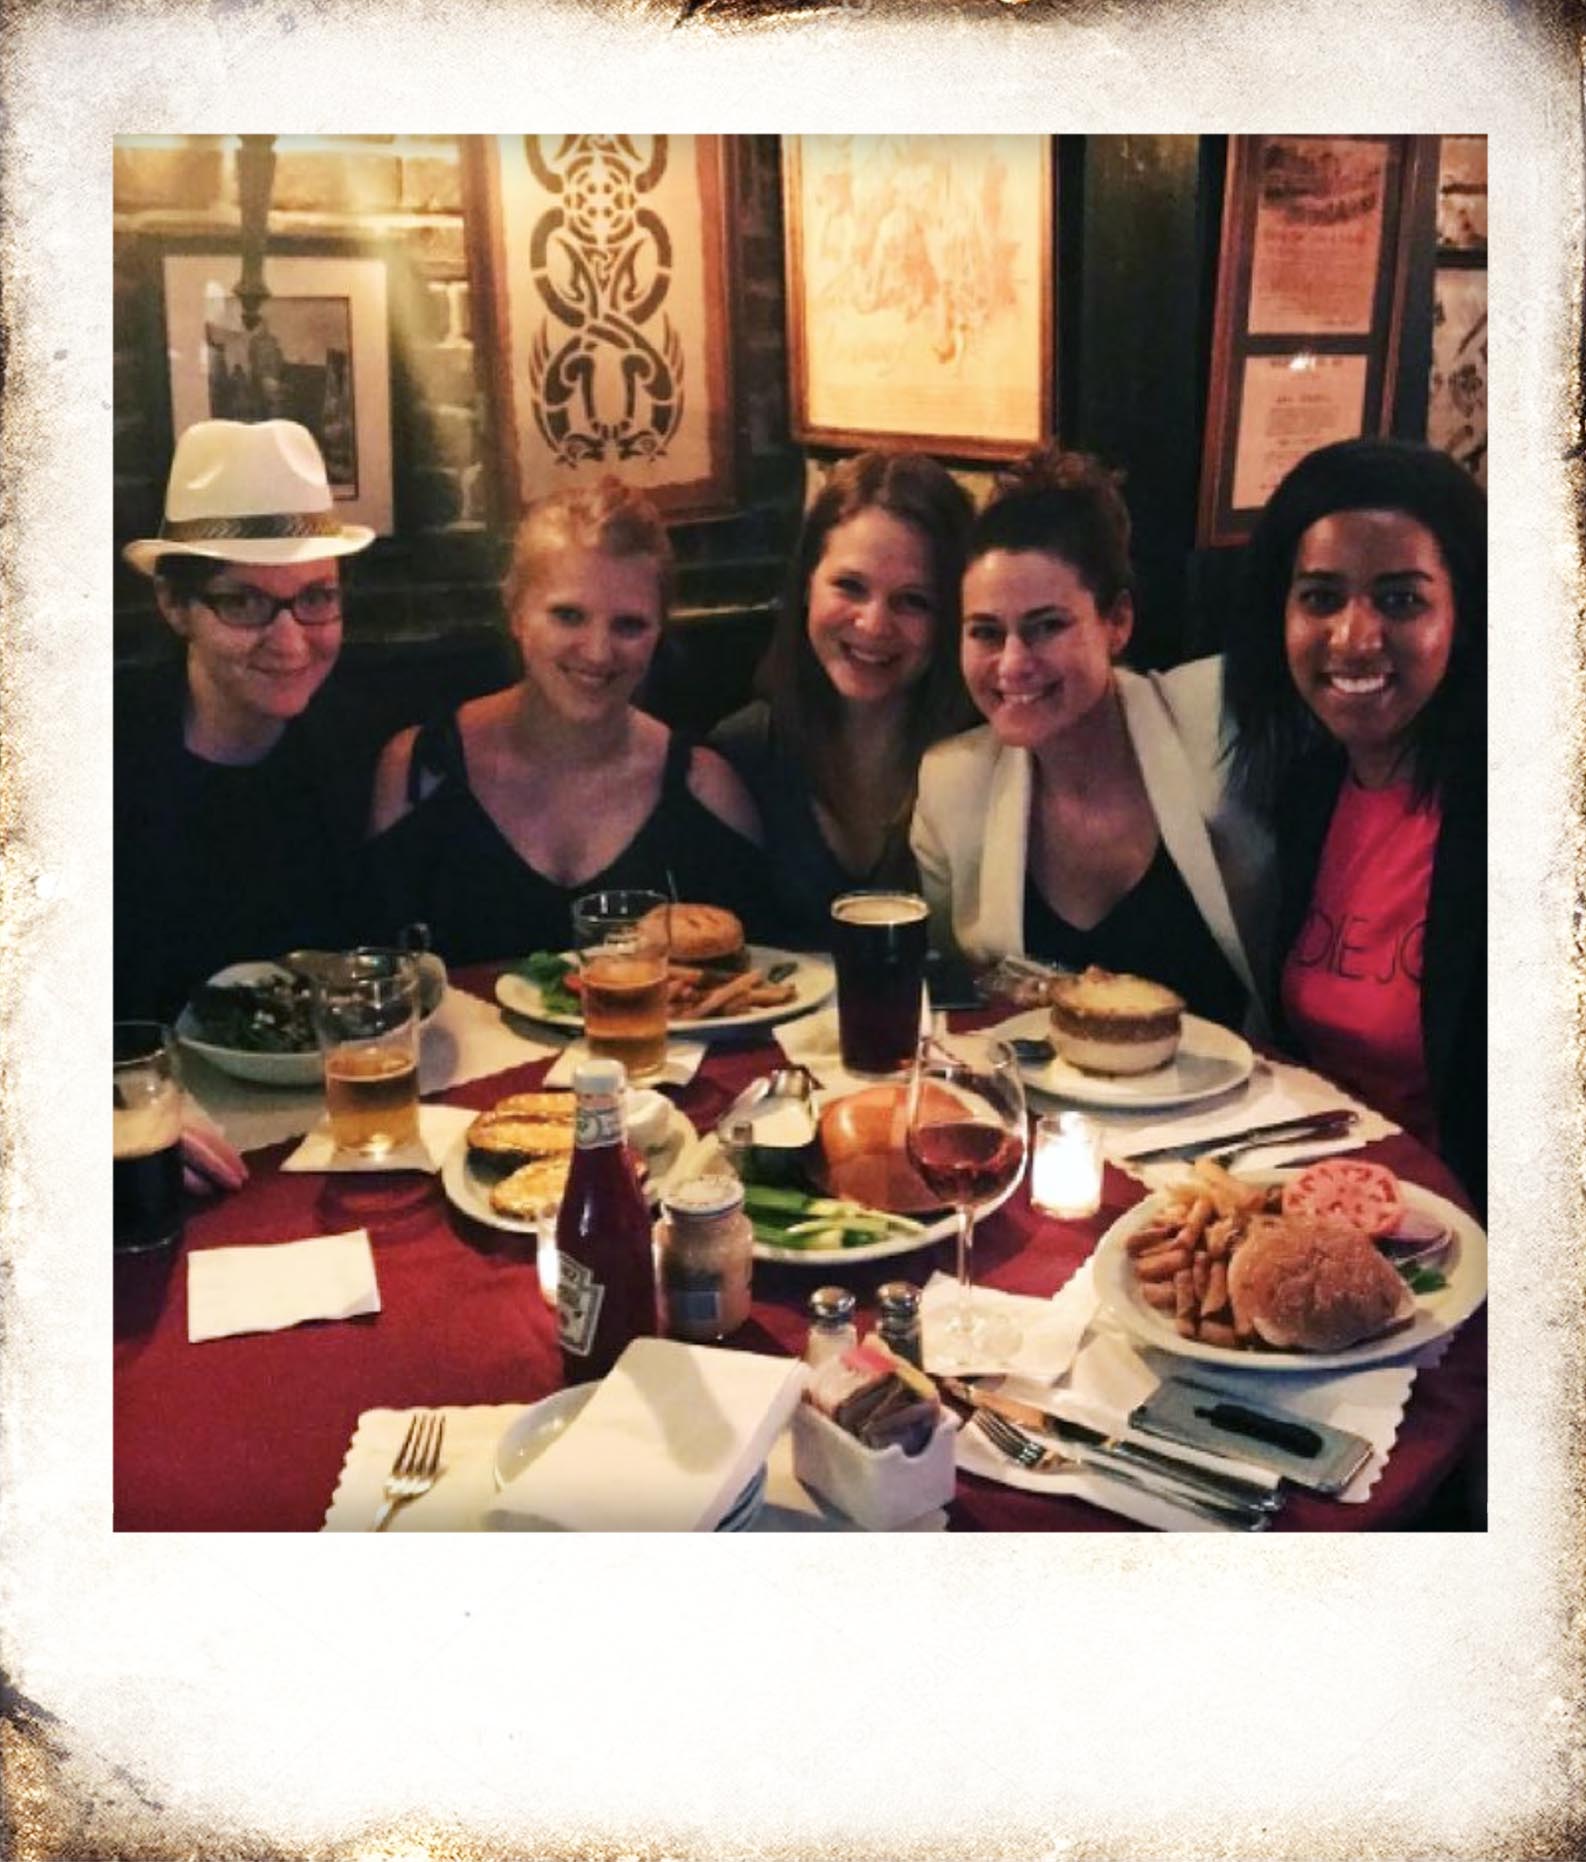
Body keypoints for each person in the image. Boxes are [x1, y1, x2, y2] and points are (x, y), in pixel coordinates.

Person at [911, 448, 1270, 1031]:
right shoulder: (953, 786)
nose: (1012, 664)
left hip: (1249, 1105)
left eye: (1047, 626)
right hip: (1052, 1109)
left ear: (1118, 621)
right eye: (985, 632)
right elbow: (967, 999)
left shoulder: (1215, 718)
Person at [1223, 438, 1485, 1209]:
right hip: (1326, 1205)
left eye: (1401, 600)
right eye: (1321, 597)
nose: (1354, 638)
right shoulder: (1304, 787)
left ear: (1463, 615)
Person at [365, 478, 769, 962]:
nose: (598, 652)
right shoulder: (420, 772)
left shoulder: (705, 789)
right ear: (516, 613)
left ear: (660, 632)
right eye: (568, 616)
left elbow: (755, 992)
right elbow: (380, 988)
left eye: (630, 625)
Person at [116, 417, 379, 1024]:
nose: (289, 643)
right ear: (174, 606)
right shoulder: (95, 764)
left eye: (315, 598)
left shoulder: (364, 754)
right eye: (243, 602)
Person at [710, 451, 974, 948]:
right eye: (850, 587)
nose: (874, 625)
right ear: (808, 583)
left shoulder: (988, 765)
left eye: (913, 600)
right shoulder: (740, 756)